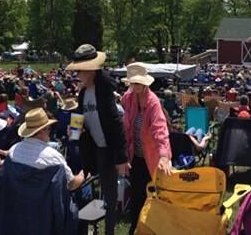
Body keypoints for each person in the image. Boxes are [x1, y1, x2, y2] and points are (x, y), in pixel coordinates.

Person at [66, 44, 128, 235]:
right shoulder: (83, 92)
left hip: (109, 149)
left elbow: (116, 123)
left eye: (81, 70)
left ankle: (109, 231)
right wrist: (74, 128)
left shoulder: (104, 88)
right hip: (95, 149)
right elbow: (80, 117)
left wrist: (121, 158)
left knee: (109, 196)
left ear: (92, 69)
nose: (78, 74)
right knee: (93, 192)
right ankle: (88, 227)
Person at [121, 63, 172, 235]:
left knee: (157, 198)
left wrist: (164, 156)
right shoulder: (127, 98)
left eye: (137, 83)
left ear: (145, 83)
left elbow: (160, 130)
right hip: (135, 156)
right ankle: (136, 229)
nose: (134, 87)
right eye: (132, 83)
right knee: (137, 197)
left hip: (153, 158)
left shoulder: (153, 103)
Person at [6, 108, 84, 190]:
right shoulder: (52, 156)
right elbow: (71, 184)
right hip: (47, 201)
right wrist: (83, 174)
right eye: (49, 128)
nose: (50, 132)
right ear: (43, 130)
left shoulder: (13, 151)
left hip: (17, 200)